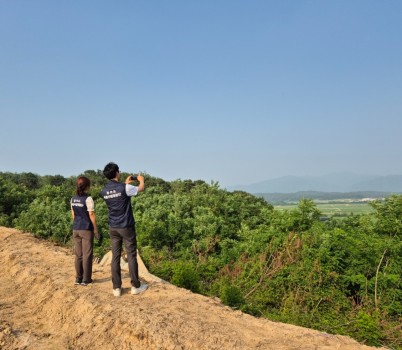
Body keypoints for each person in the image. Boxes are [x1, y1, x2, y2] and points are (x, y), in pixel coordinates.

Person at [101, 162, 148, 297]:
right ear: (116, 173)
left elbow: (118, 192)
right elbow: (140, 189)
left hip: (113, 227)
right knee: (131, 255)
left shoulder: (103, 191)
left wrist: (126, 183)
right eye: (119, 171)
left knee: (115, 256)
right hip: (126, 226)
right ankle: (135, 286)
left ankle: (116, 288)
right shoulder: (124, 188)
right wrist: (141, 180)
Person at [71, 176, 99, 286]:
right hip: (86, 229)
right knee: (87, 254)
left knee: (78, 254)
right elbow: (91, 214)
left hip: (76, 228)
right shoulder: (88, 199)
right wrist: (95, 229)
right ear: (87, 186)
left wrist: (77, 223)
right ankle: (86, 279)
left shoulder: (73, 199)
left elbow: (73, 214)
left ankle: (78, 278)